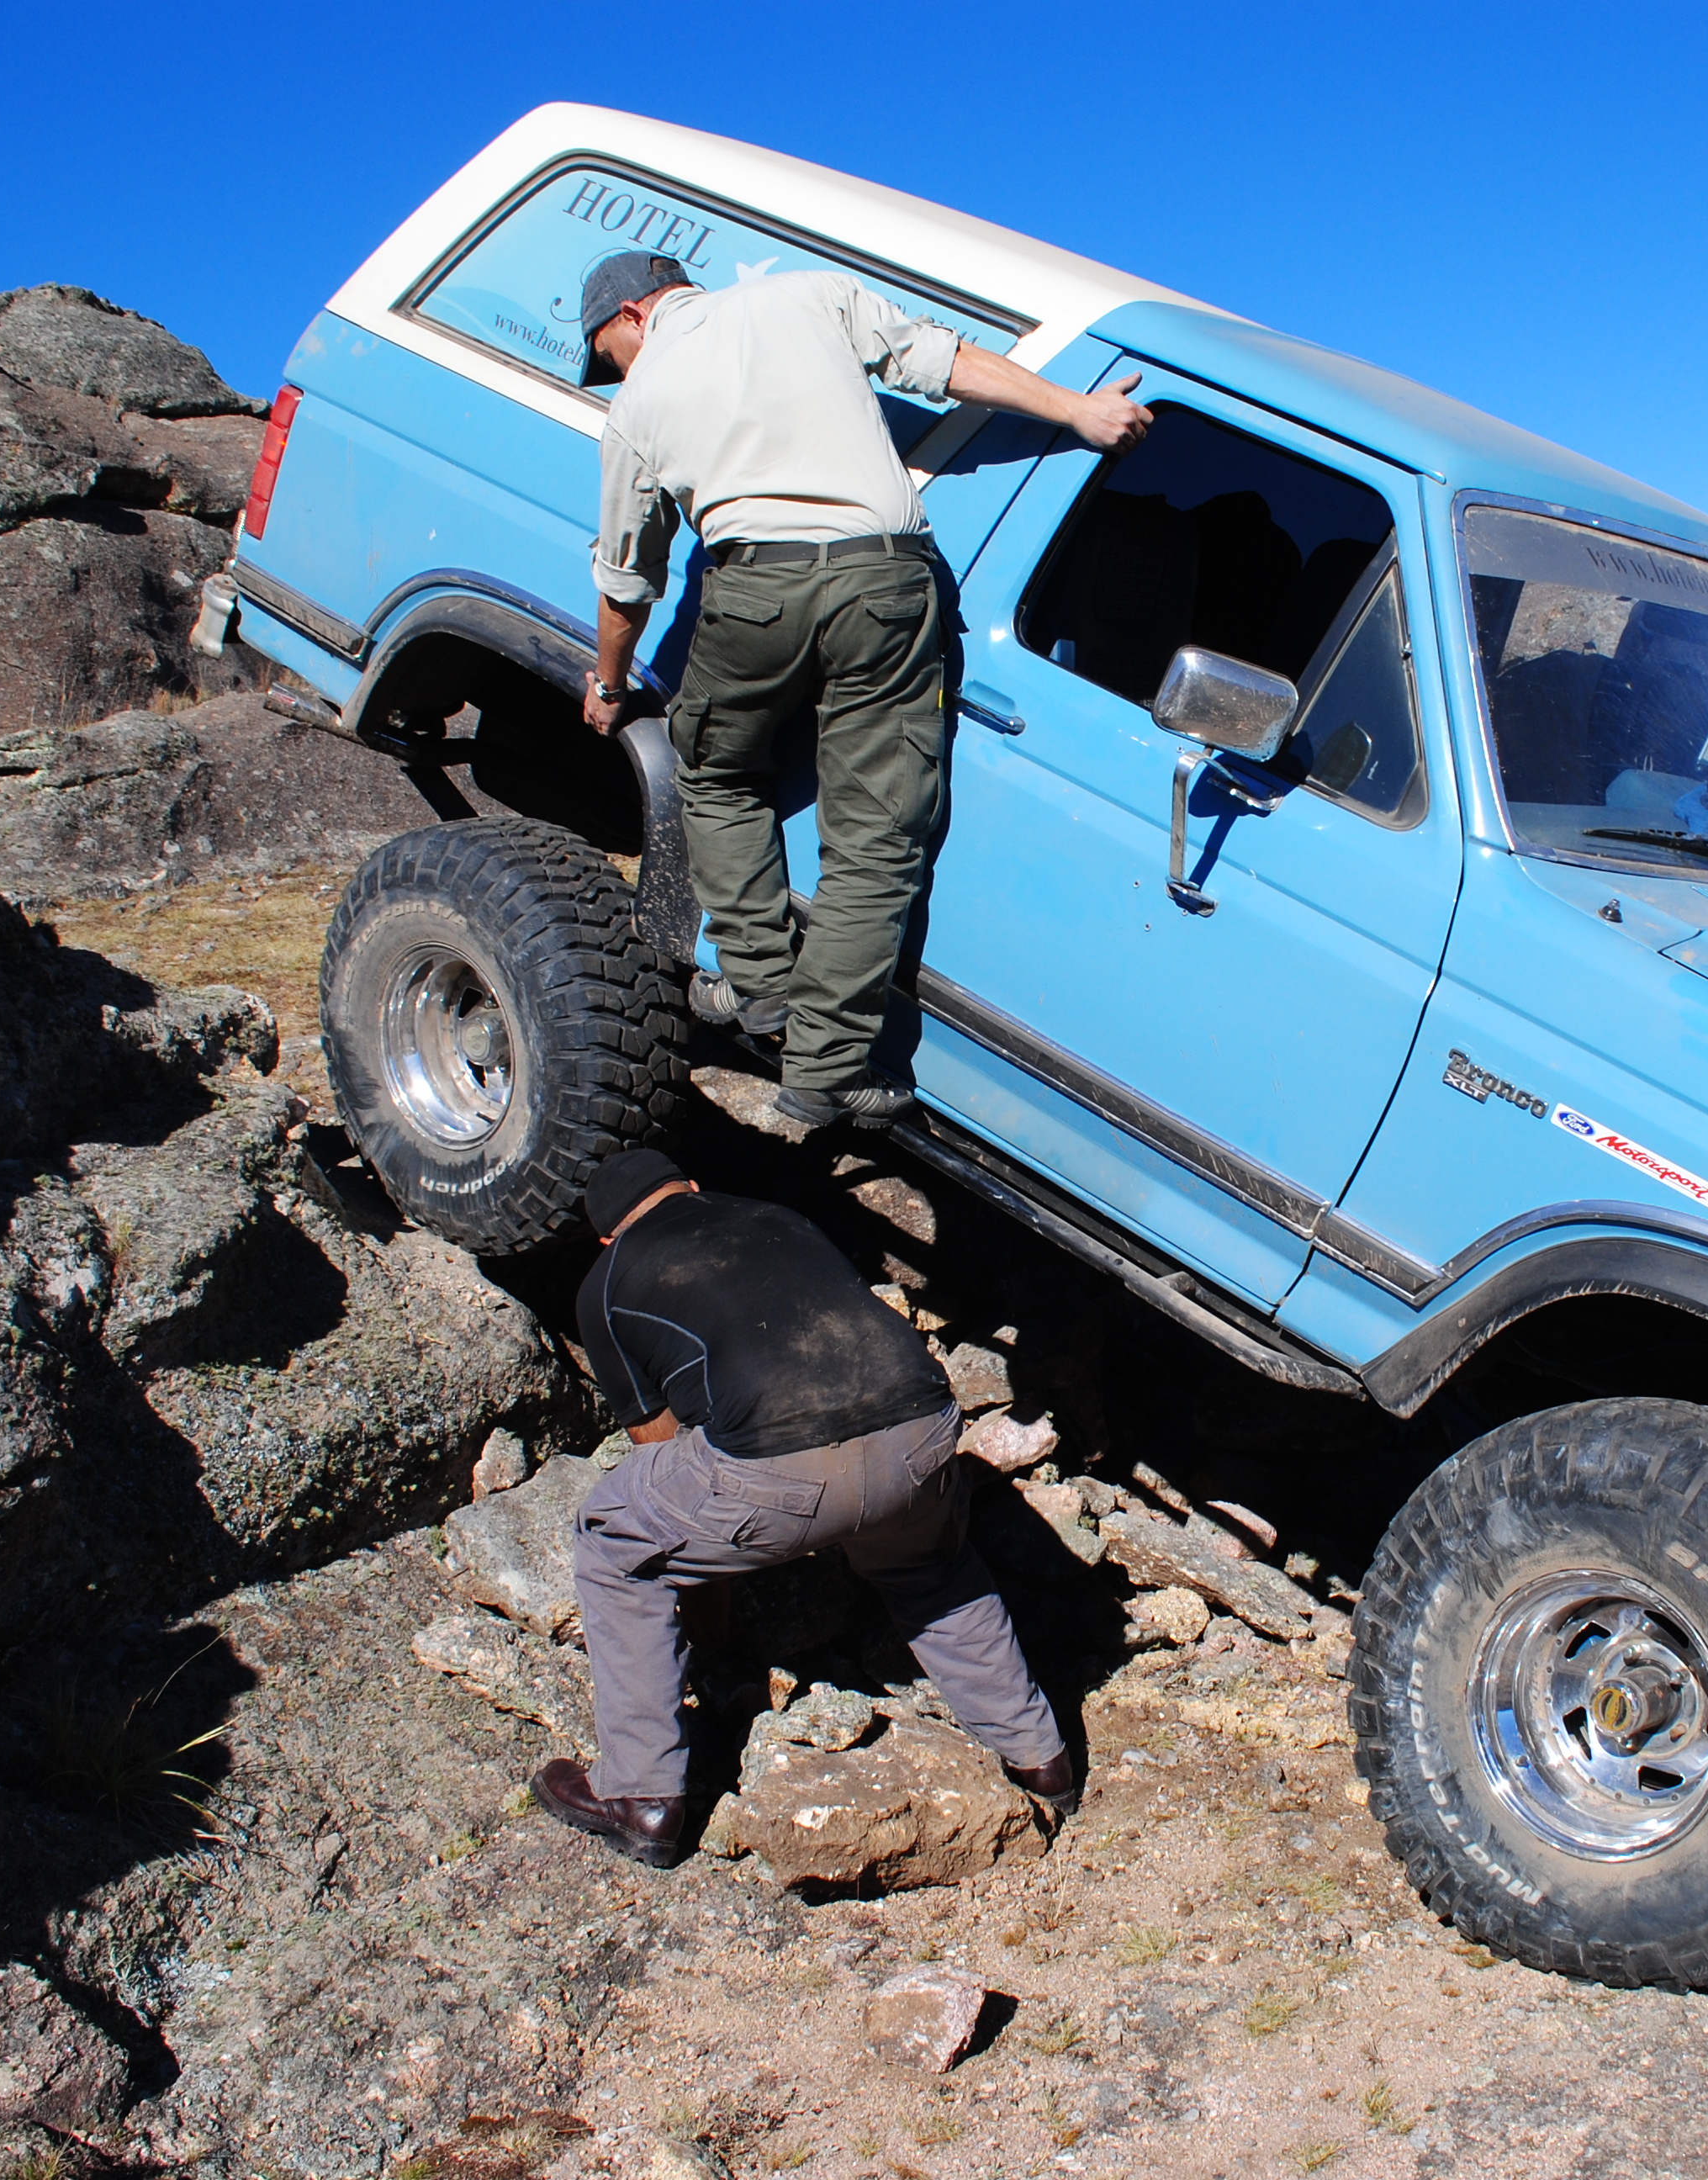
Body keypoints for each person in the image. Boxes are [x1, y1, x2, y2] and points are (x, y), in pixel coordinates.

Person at [575, 250, 1153, 1130]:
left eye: (604, 354)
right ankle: (825, 1069)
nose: (613, 371)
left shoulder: (639, 405)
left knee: (716, 776)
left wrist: (608, 683)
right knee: (877, 833)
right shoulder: (807, 296)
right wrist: (1079, 411)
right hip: (885, 583)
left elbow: (627, 581)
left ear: (628, 314)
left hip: (751, 590)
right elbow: (944, 361)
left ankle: (761, 987)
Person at [530, 1148, 1076, 1867]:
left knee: (615, 1544)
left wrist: (712, 1628)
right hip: (923, 1430)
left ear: (607, 1237)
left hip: (781, 1464)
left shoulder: (605, 1283)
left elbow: (660, 1452)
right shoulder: (776, 1215)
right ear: (692, 1186)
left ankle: (641, 1796)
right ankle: (1041, 1757)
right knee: (929, 1568)